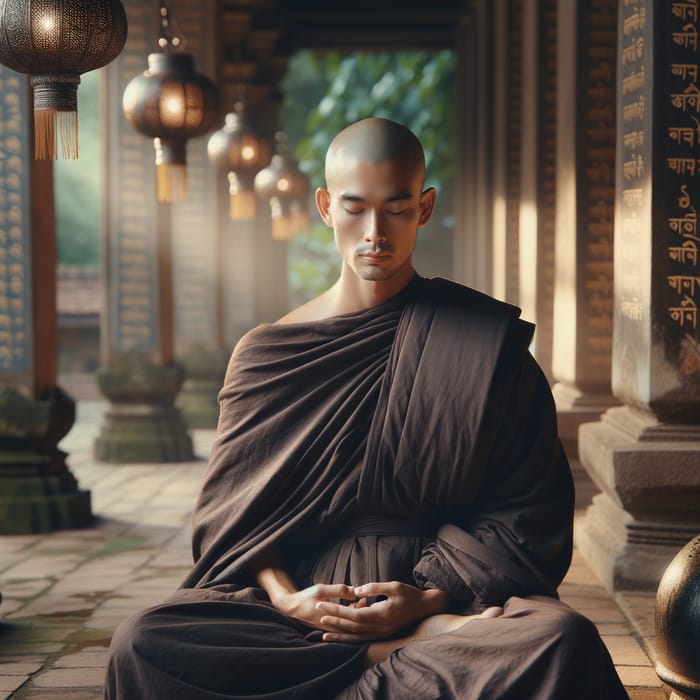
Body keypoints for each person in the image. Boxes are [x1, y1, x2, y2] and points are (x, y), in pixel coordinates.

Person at [105, 117, 628, 699]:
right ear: (326, 207)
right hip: (297, 617)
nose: (375, 231)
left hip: (440, 596)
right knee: (144, 641)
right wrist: (287, 599)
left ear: (425, 208)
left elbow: (526, 509)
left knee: (562, 638)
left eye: (396, 209)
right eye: (355, 208)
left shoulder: (482, 345)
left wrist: (427, 598)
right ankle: (397, 651)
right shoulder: (267, 354)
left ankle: (409, 638)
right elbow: (235, 523)